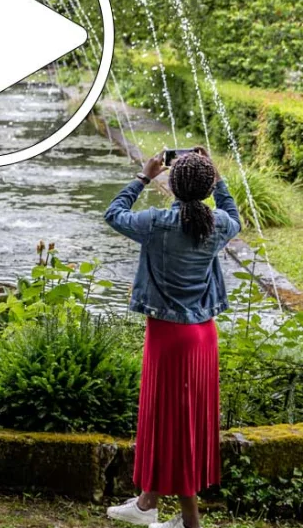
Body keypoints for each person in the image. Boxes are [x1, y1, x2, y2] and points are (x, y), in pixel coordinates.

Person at [104, 147, 241, 528]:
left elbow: (113, 214)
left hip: (168, 337)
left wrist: (143, 176)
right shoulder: (219, 225)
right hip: (202, 337)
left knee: (173, 424)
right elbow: (234, 214)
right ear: (208, 185)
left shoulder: (157, 223)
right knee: (183, 422)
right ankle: (147, 501)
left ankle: (189, 521)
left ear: (173, 186)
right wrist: (218, 176)